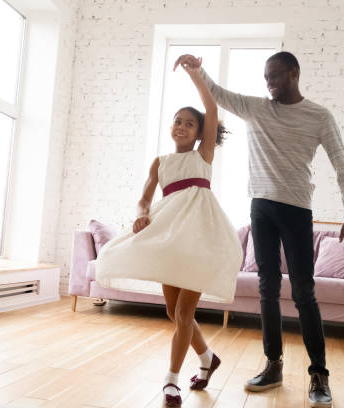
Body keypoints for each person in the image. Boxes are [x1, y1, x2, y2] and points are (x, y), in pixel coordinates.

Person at [174, 51, 344, 408]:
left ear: (294, 73)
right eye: (265, 78)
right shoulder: (258, 108)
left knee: (304, 292)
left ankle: (319, 373)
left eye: (274, 77)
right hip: (261, 208)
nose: (269, 84)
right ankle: (273, 365)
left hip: (296, 210)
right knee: (267, 288)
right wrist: (197, 71)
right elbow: (218, 94)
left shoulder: (319, 116)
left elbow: (343, 165)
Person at [95, 57, 243, 407]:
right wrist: (141, 215)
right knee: (173, 313)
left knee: (184, 315)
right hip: (167, 239)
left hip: (198, 241)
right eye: (177, 121)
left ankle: (171, 381)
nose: (182, 126)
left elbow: (211, 106)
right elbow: (144, 198)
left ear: (199, 132)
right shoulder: (160, 162)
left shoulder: (203, 155)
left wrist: (195, 75)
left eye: (190, 124)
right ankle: (208, 358)